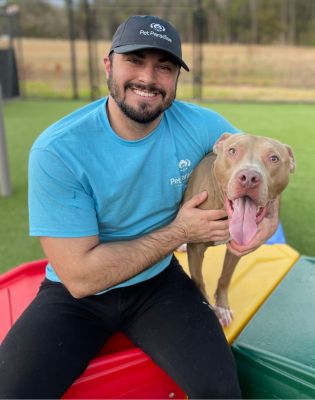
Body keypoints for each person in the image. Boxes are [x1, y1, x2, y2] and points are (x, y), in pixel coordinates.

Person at [0, 15, 279, 399]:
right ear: (108, 64)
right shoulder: (58, 150)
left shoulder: (203, 125)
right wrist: (182, 232)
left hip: (159, 283)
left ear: (176, 80)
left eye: (164, 67)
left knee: (220, 389)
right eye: (135, 60)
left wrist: (270, 213)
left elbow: (260, 163)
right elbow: (81, 277)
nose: (148, 78)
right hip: (75, 296)